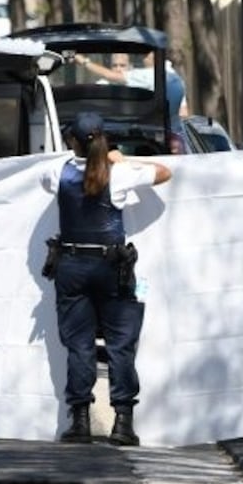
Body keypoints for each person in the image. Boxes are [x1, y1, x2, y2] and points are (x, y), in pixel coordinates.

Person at [41, 112, 172, 446]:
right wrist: (120, 157)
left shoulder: (57, 172)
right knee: (120, 345)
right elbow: (164, 172)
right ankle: (123, 423)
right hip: (113, 267)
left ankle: (80, 421)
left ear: (73, 141)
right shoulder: (121, 172)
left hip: (71, 265)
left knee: (79, 344)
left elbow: (50, 180)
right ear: (104, 139)